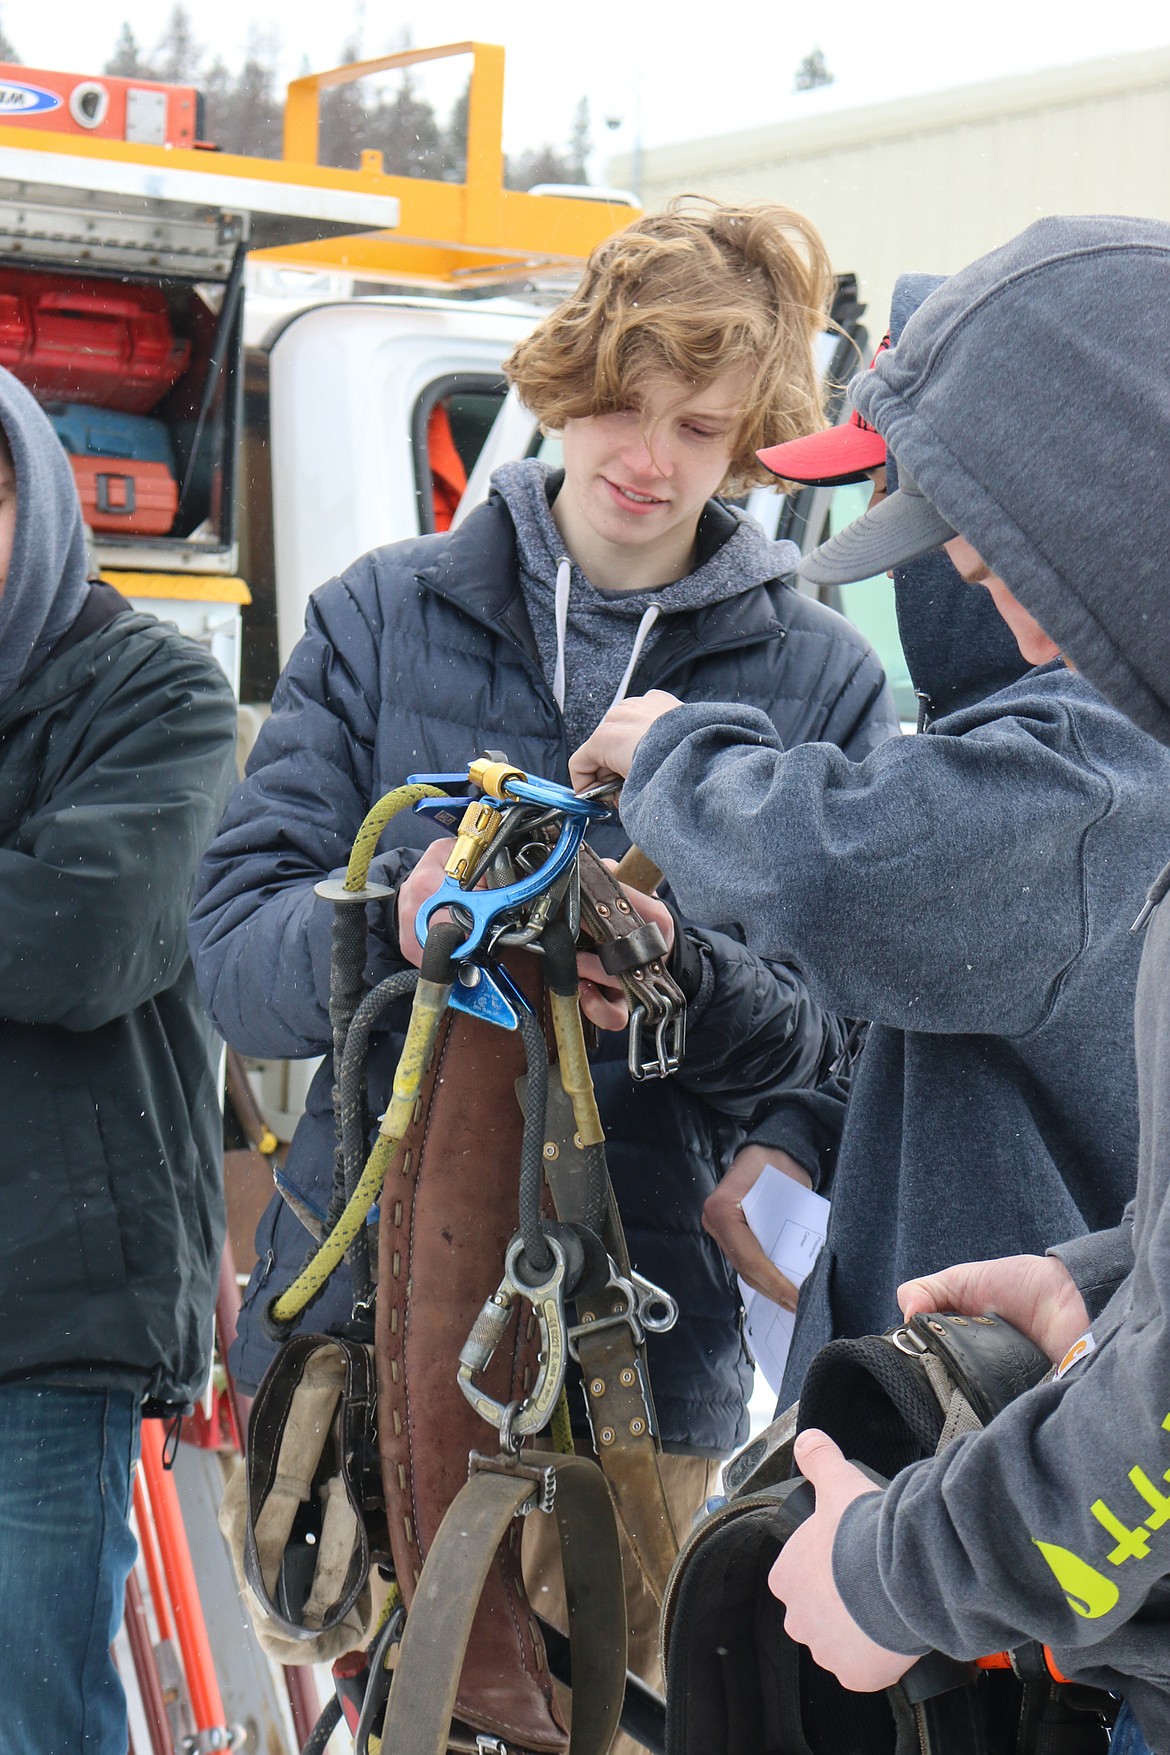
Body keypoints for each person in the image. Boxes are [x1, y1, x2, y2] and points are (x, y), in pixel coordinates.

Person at [188, 198, 898, 1724]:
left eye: (699, 425)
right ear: (567, 381)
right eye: (622, 405)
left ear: (755, 441)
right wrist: (393, 907)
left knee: (620, 1716)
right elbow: (229, 953)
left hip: (648, 1348)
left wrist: (675, 981)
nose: (648, 455)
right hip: (361, 1334)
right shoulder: (380, 618)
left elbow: (851, 1047)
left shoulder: (820, 682)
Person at [572, 215, 1170, 1752]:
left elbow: (854, 881)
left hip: (1045, 1584)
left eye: (987, 555)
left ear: (1098, 509)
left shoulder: (1099, 762)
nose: (1003, 614)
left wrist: (896, 1574)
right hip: (1008, 1471)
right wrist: (1101, 1286)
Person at [0, 366, 237, 1754]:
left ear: (33, 499)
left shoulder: (157, 701)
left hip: (45, 1314)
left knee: (33, 1715)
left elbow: (80, 942)